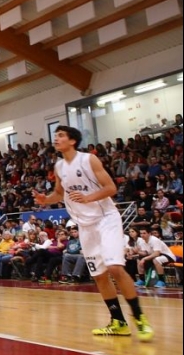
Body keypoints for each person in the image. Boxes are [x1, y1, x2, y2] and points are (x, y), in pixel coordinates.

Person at [34, 125, 153, 340]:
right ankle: (118, 322)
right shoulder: (59, 166)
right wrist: (46, 200)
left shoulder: (89, 159)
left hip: (106, 219)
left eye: (60, 135)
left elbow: (111, 188)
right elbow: (59, 194)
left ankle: (139, 317)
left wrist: (88, 198)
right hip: (85, 226)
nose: (56, 138)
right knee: (99, 276)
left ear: (72, 141)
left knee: (115, 268)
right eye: (56, 135)